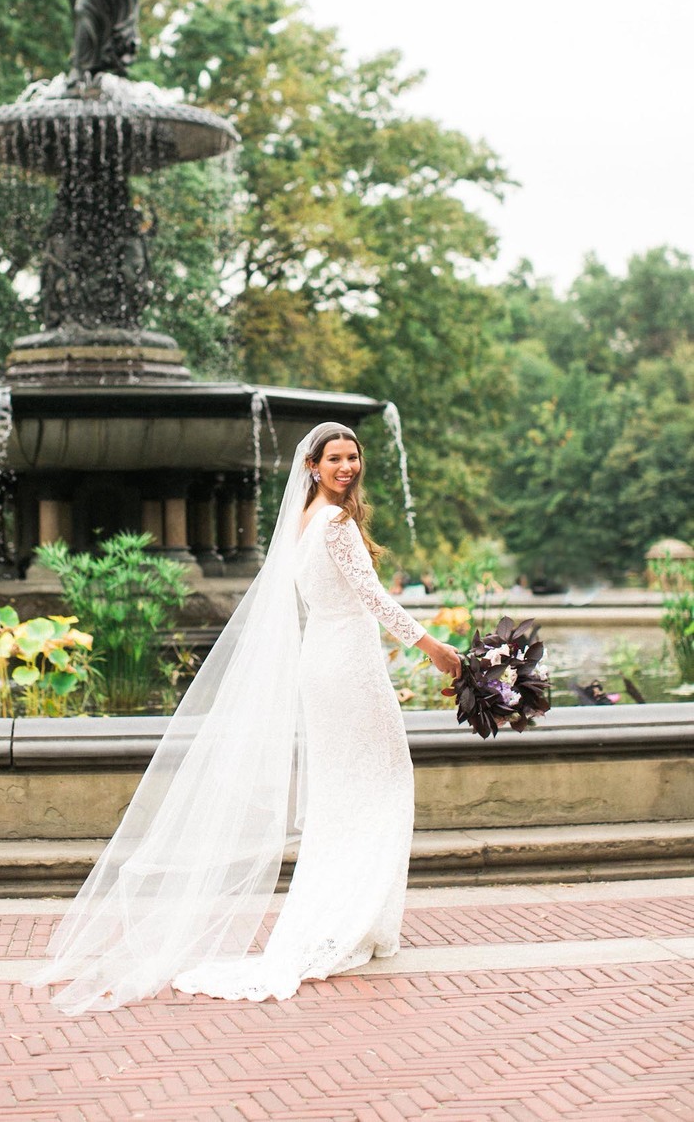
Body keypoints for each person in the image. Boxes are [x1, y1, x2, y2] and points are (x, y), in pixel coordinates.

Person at [33, 422, 461, 1013]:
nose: (347, 467)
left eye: (353, 457)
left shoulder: (304, 521)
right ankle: (352, 919)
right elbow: (375, 599)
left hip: (327, 662)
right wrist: (434, 648)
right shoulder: (336, 524)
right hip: (349, 665)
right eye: (334, 458)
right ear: (312, 466)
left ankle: (350, 917)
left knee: (346, 790)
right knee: (384, 782)